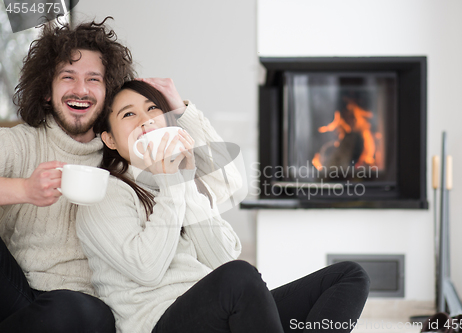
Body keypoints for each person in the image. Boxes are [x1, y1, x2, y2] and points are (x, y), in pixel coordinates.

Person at [76, 79, 371, 333]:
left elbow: (220, 260)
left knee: (349, 276)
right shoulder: (106, 194)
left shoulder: (177, 181)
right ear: (110, 139)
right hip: (160, 323)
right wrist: (171, 185)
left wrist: (184, 183)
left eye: (153, 108)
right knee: (240, 277)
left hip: (219, 316)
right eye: (129, 114)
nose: (146, 119)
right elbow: (147, 269)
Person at [0, 18, 134, 332]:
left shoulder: (123, 157)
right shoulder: (21, 143)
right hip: (15, 291)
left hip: (82, 306)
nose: (80, 90)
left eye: (93, 79)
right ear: (47, 90)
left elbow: (211, 188)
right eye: (67, 77)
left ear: (109, 93)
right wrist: (23, 190)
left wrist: (178, 110)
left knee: (77, 309)